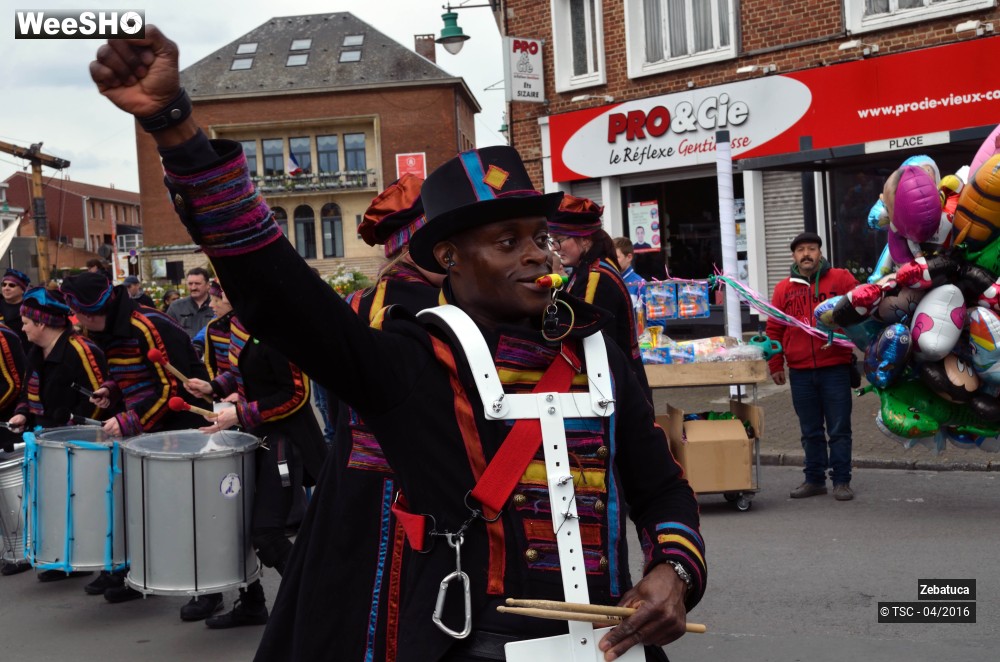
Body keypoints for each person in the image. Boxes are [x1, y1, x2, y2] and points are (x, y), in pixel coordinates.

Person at [90, 27, 705, 662]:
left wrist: (673, 572)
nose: (532, 255)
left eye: (537, 238)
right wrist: (175, 128)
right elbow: (281, 296)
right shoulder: (413, 362)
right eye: (505, 242)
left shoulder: (594, 350)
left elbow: (660, 486)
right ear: (448, 257)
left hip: (608, 646)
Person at [258, 175, 445, 659]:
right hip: (429, 480)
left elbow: (336, 403)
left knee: (347, 599)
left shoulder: (358, 303)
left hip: (355, 479)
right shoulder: (444, 307)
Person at [183, 280, 327, 628]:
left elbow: (296, 394)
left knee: (266, 532)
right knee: (240, 527)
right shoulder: (238, 325)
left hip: (286, 440)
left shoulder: (277, 329)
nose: (214, 301)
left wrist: (242, 413)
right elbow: (242, 374)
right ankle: (253, 605)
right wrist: (215, 387)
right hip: (258, 436)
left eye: (220, 294)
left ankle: (319, 605)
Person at [60, 270, 209, 603]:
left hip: (181, 424)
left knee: (188, 511)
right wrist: (110, 390)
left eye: (80, 318)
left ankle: (208, 587)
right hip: (148, 428)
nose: (80, 326)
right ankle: (145, 575)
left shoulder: (147, 325)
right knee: (149, 510)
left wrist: (129, 420)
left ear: (89, 312)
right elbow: (127, 373)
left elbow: (172, 386)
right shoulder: (111, 327)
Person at [7, 287, 109, 585]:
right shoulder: (36, 352)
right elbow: (28, 391)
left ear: (41, 323)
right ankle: (63, 559)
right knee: (54, 503)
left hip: (83, 444)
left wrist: (81, 432)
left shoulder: (81, 350)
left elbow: (101, 398)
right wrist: (23, 413)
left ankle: (105, 565)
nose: (22, 326)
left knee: (91, 506)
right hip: (47, 440)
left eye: (26, 321)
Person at [765, 232, 859, 501]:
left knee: (840, 428)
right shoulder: (783, 288)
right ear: (794, 256)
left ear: (820, 252)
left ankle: (841, 481)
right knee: (810, 430)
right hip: (800, 371)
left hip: (835, 368)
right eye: (801, 250)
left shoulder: (841, 279)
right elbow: (774, 328)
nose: (806, 254)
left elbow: (864, 306)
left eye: (812, 249)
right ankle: (814, 480)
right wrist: (775, 364)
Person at [549, 196, 651, 399]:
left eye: (559, 240)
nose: (554, 248)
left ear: (585, 239)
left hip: (615, 389)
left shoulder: (595, 277)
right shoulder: (592, 268)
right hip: (620, 381)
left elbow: (585, 337)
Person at [0, 316, 26, 577]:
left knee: (12, 491)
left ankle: (22, 551)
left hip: (7, 425)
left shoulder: (3, 337)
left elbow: (14, 383)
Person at [166, 267, 213, 338]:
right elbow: (167, 333)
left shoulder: (217, 307)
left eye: (197, 283)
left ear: (208, 285)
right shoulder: (176, 307)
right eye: (190, 284)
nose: (193, 287)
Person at [1, 268, 31, 344]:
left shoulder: (29, 308)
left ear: (22, 290)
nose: (6, 288)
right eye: (4, 285)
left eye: (11, 285)